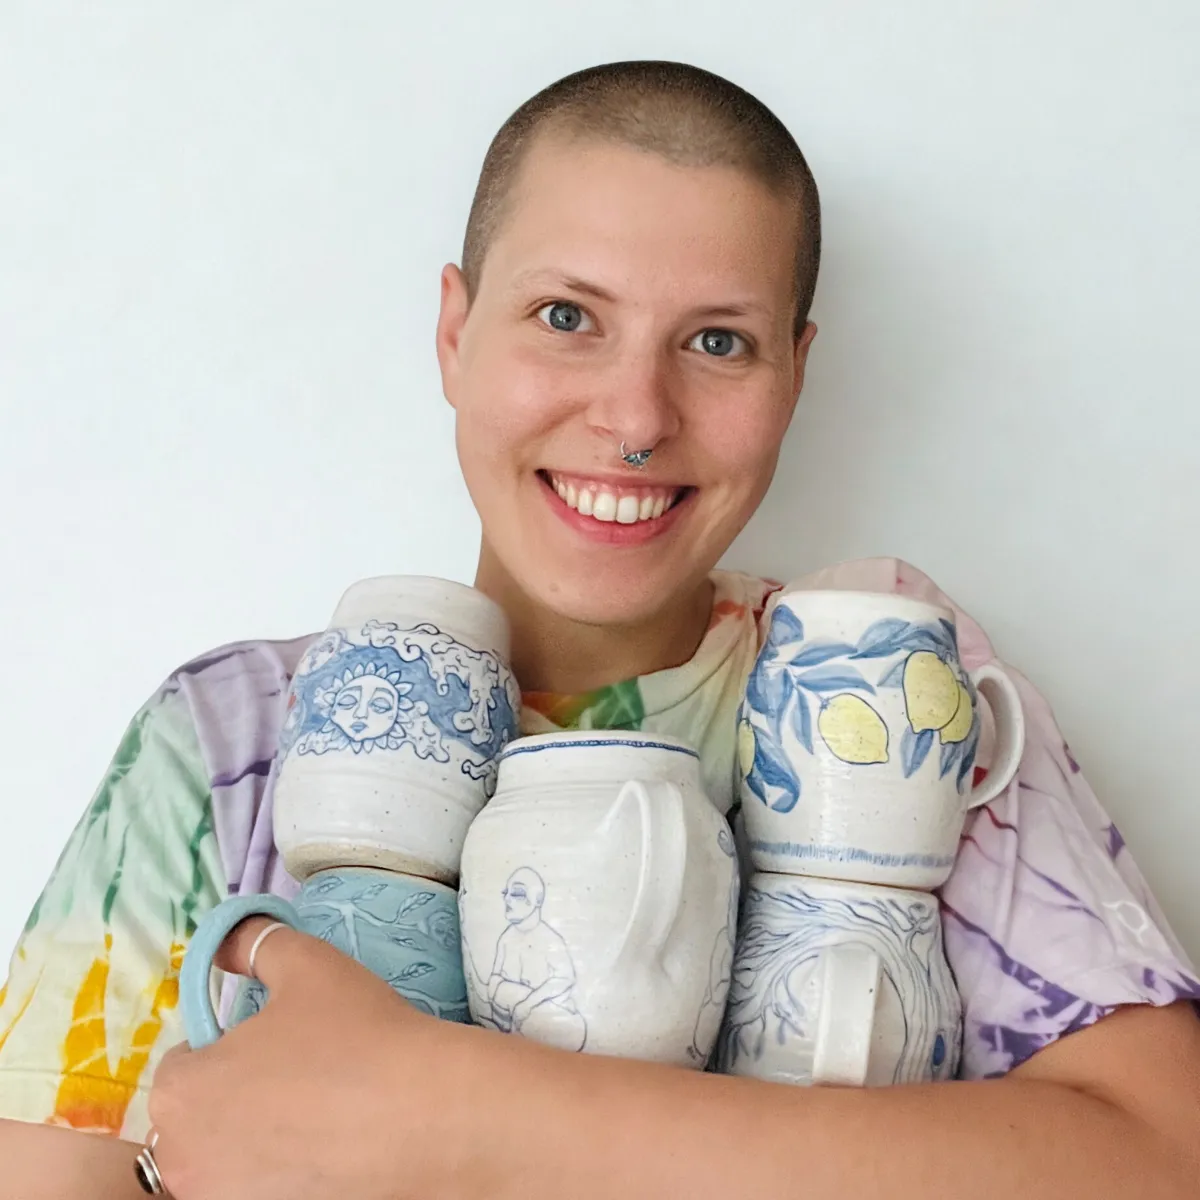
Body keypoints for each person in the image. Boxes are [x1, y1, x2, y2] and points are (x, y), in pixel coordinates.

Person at [1, 59, 1198, 1200]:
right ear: (455, 333)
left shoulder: (892, 694)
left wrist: (455, 1115)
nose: (635, 418)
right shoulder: (231, 740)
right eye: (567, 315)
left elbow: (1167, 1160)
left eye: (718, 341)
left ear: (794, 375)